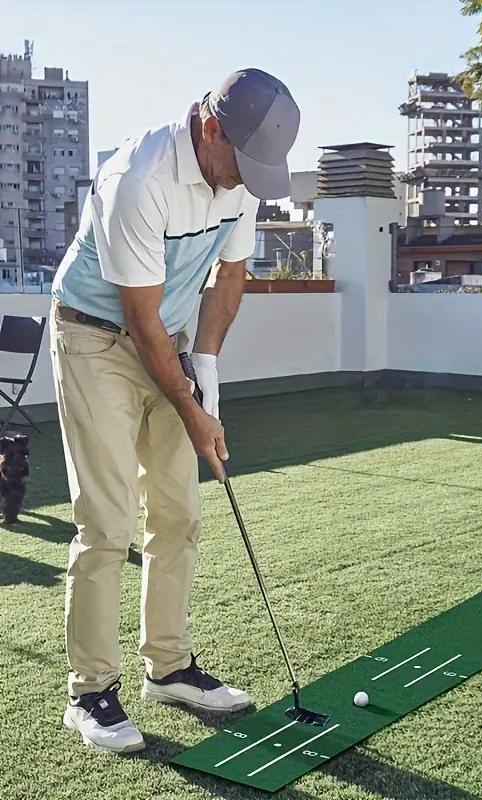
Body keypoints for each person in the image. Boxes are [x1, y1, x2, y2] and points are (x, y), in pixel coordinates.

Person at [50, 69, 300, 754]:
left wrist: (208, 369)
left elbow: (230, 275)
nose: (243, 182)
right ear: (210, 126)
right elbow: (139, 317)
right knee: (106, 519)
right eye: (240, 165)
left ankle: (167, 667)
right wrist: (195, 413)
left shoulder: (243, 177)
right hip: (96, 336)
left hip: (173, 340)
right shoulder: (142, 177)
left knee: (178, 511)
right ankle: (90, 691)